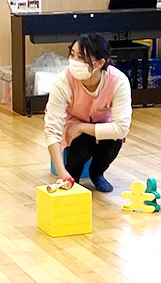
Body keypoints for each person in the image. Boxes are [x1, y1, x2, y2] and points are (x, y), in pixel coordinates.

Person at [45, 33, 132, 192]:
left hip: (101, 124)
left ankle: (97, 173)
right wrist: (61, 172)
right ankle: (72, 174)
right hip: (73, 125)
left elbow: (122, 128)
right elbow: (52, 130)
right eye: (72, 55)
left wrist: (82, 127)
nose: (74, 62)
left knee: (114, 141)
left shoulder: (118, 81)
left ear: (99, 63)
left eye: (81, 58)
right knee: (82, 144)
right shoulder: (63, 81)